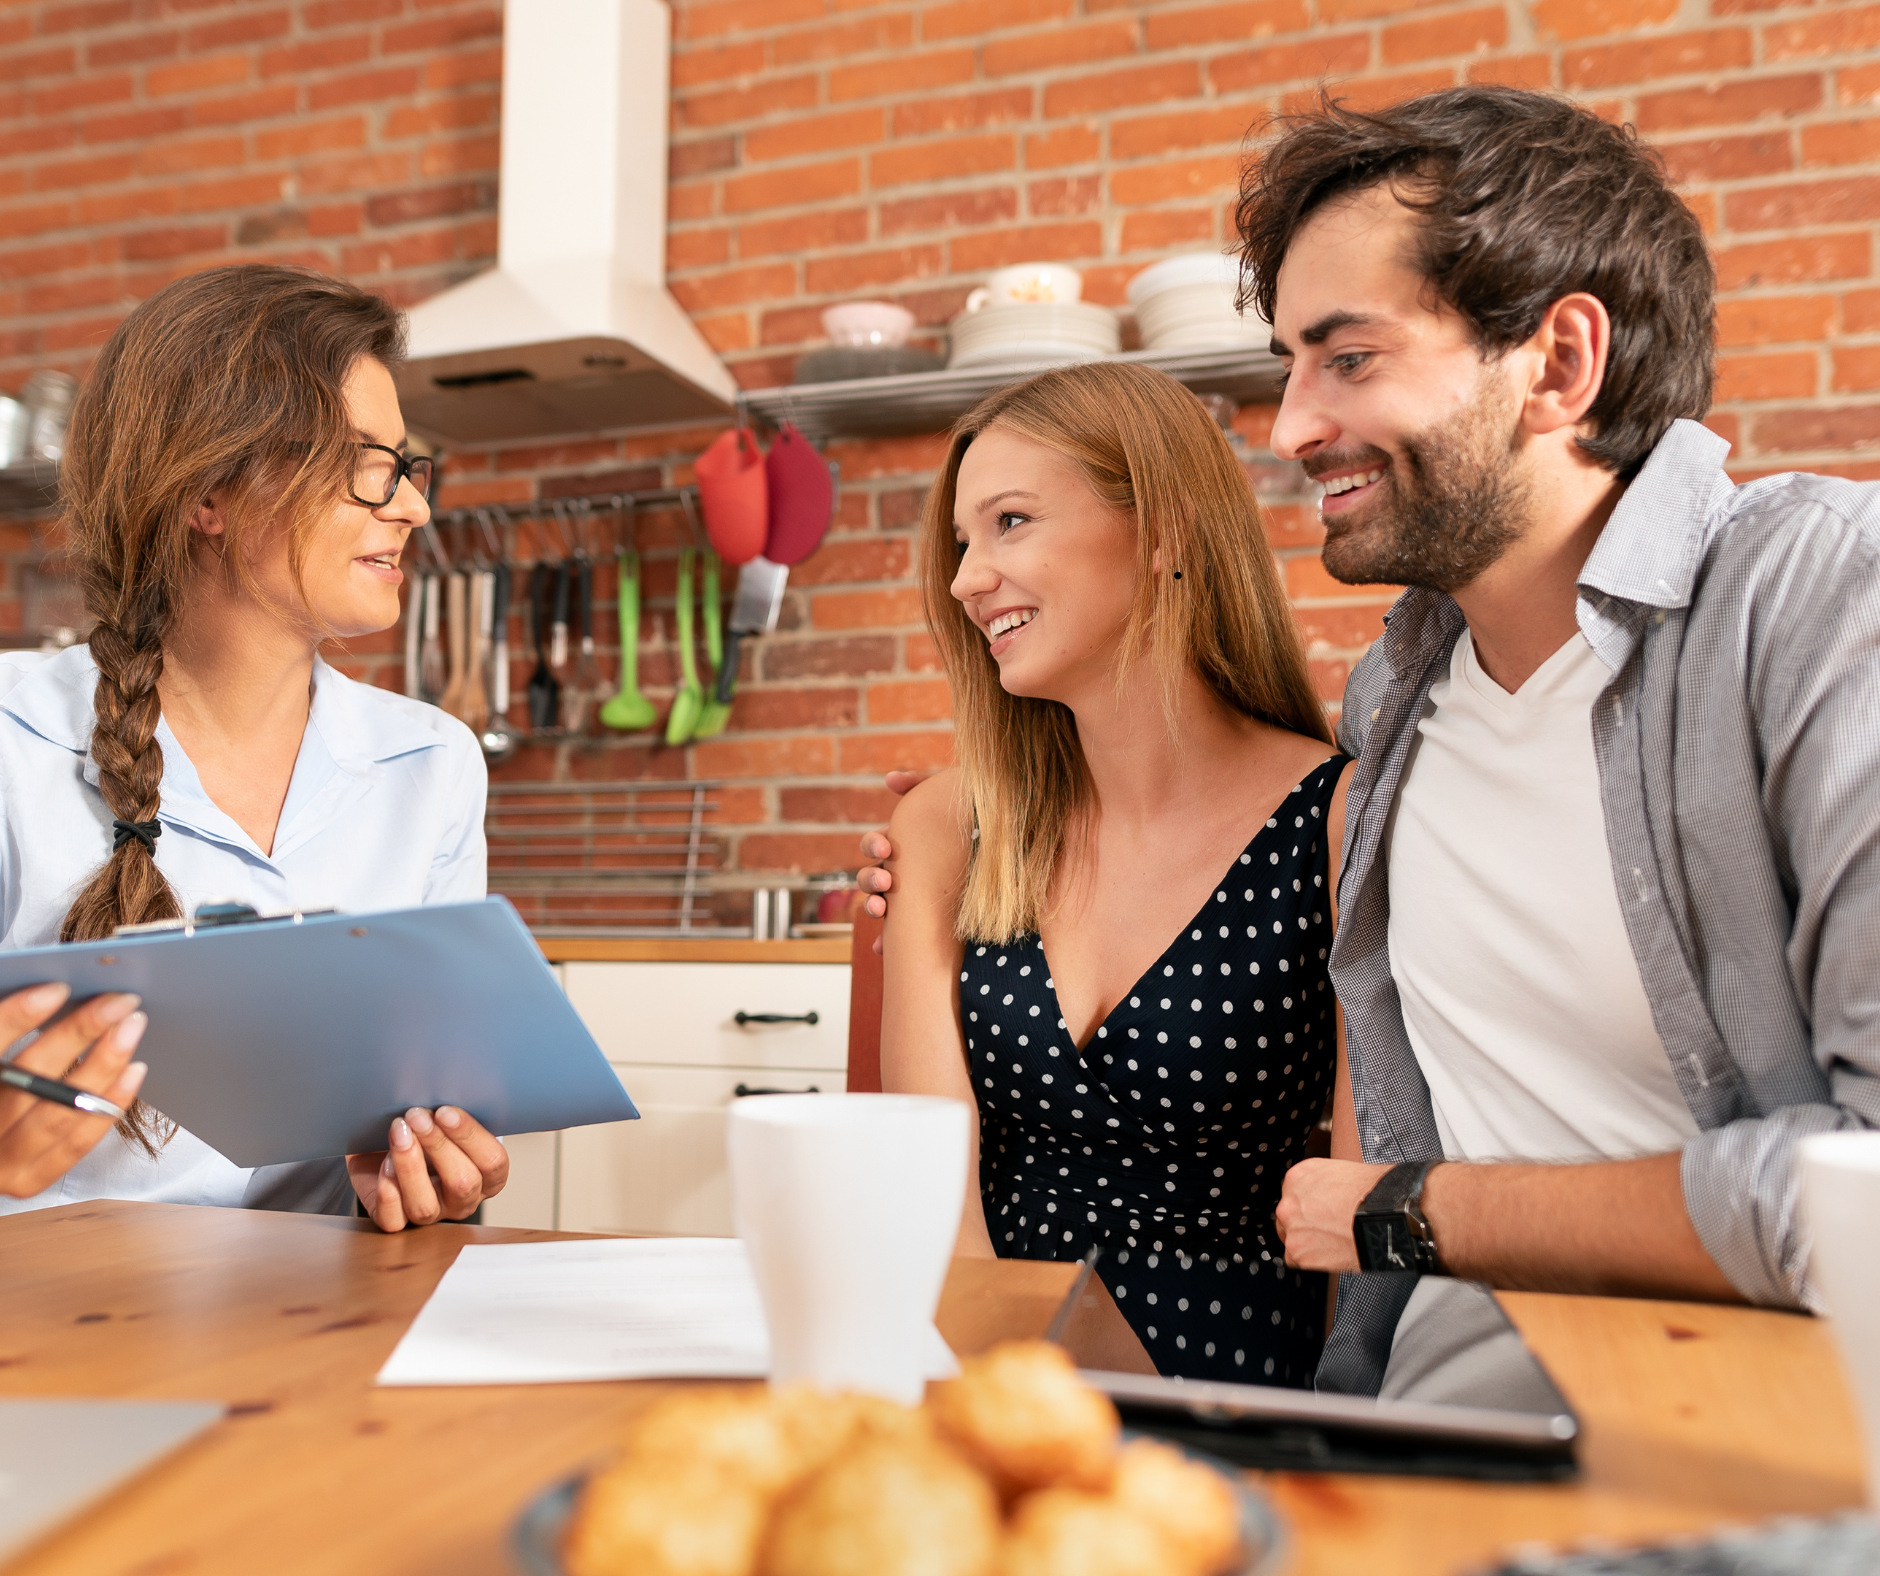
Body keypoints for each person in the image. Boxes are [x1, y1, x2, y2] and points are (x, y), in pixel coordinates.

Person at [880, 360, 1358, 1386]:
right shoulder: (944, 827)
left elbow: (1353, 1240)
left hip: (1243, 1398)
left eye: (1009, 522)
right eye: (963, 542)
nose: (965, 578)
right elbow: (929, 1207)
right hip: (987, 1377)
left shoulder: (1336, 820)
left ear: (1165, 533)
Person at [0, 264, 505, 1232]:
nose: (413, 508)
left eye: (410, 466)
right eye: (371, 466)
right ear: (210, 491)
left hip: (323, 1335)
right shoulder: (12, 741)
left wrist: (429, 1184)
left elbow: (432, 1129)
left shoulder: (433, 765)